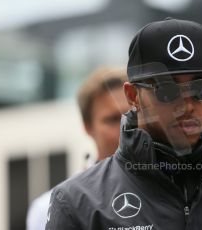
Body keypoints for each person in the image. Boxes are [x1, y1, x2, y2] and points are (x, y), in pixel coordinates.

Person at [46, 18, 202, 230]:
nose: (186, 105)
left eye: (200, 87)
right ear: (132, 96)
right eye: (167, 89)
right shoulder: (77, 201)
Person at [26, 67, 129, 230]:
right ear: (88, 127)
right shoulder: (49, 207)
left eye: (134, 114)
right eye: (113, 119)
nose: (126, 126)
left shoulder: (173, 189)